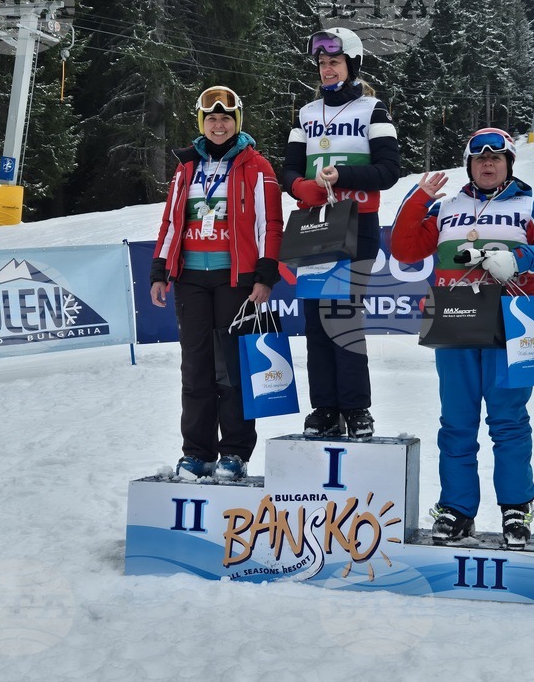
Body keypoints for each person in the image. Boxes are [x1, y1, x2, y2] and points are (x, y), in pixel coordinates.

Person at [390, 128, 534, 549]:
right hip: (455, 318)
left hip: (513, 322)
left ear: (509, 163)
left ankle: (516, 509)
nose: (488, 163)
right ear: (469, 164)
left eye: (497, 157)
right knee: (456, 422)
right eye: (479, 158)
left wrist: (520, 258)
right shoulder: (446, 206)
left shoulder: (530, 206)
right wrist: (417, 199)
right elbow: (403, 249)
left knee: (509, 423)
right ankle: (457, 509)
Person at [150, 86, 283, 482]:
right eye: (211, 119)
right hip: (191, 279)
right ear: (201, 123)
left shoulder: (257, 166)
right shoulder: (185, 168)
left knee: (233, 370)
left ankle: (235, 453)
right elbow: (172, 222)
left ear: (237, 122)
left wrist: (265, 274)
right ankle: (197, 453)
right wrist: (160, 269)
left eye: (226, 118)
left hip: (234, 281)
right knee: (195, 369)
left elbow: (269, 224)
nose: (219, 124)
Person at [282, 27, 400, 439]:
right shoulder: (306, 114)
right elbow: (290, 171)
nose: (327, 69)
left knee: (342, 314)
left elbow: (388, 171)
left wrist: (343, 174)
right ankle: (325, 408)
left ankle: (356, 408)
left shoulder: (374, 110)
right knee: (315, 318)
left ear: (351, 64)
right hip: (315, 224)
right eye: (321, 63)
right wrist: (302, 188)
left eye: (334, 62)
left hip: (356, 222)